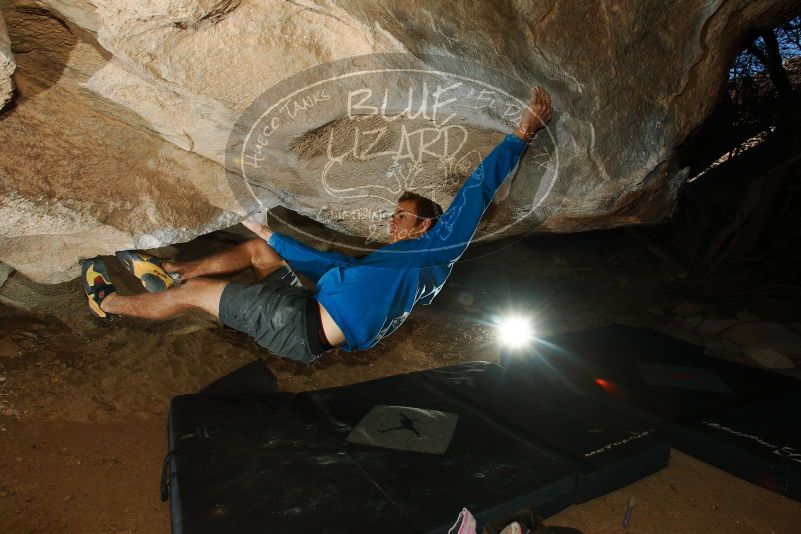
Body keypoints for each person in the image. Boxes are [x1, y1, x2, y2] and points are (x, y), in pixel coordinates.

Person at [81, 87, 552, 363]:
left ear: (426, 225)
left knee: (191, 302)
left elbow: (477, 190)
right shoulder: (392, 264)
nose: (392, 219)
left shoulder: (434, 250)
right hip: (308, 303)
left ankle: (109, 303)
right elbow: (331, 266)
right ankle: (175, 271)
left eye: (401, 214)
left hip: (298, 324)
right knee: (256, 254)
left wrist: (521, 135)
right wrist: (267, 234)